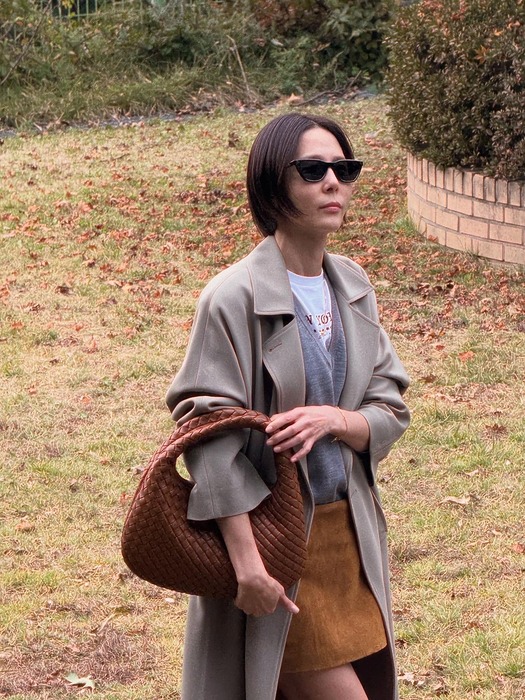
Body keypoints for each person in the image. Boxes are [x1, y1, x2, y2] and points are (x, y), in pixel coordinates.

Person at [166, 113, 410, 700]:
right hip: (275, 548)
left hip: (348, 545)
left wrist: (338, 420)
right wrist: (248, 564)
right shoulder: (232, 298)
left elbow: (389, 406)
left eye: (344, 169)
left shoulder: (353, 285)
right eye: (313, 169)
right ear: (274, 184)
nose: (333, 182)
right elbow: (210, 438)